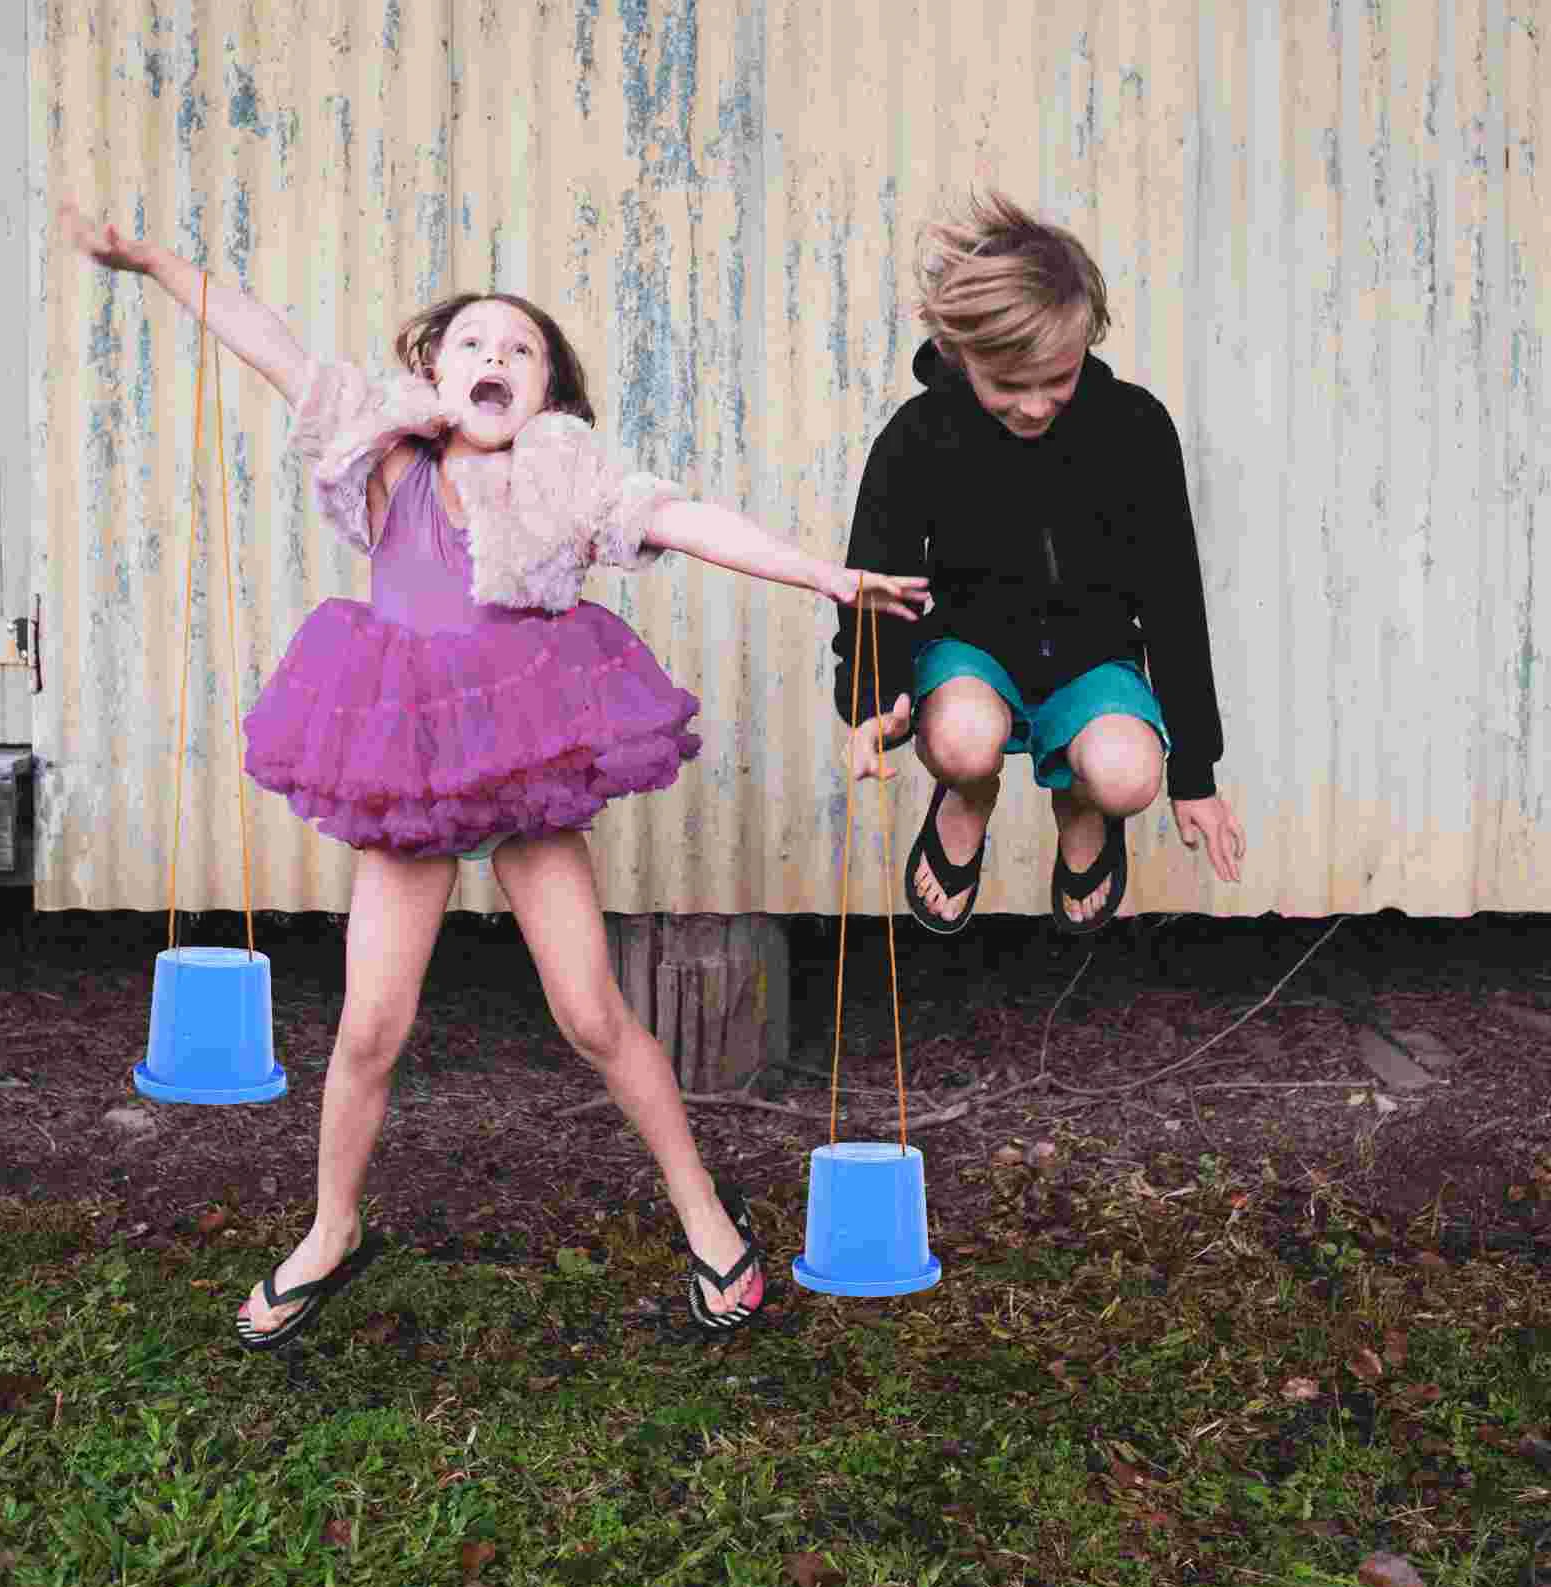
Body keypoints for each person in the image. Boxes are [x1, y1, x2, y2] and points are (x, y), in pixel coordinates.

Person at [61, 202, 928, 1348]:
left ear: (546, 393)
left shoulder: (565, 480)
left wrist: (820, 574)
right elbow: (270, 344)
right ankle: (332, 1227)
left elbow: (681, 516)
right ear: (430, 369)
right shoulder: (386, 455)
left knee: (590, 1011)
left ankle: (707, 1215)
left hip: (520, 748)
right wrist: (157, 261)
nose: (494, 359)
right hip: (408, 751)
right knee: (370, 1025)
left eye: (519, 349)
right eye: (472, 342)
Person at [832, 191, 1244, 936]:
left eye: (1057, 380)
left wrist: (1197, 776)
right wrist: (871, 698)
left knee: (1129, 776)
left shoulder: (1136, 430)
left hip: (1094, 658)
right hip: (972, 652)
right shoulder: (921, 435)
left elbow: (1174, 598)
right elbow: (877, 578)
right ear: (962, 356)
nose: (1033, 406)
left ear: (1087, 341)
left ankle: (1081, 802)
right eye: (1008, 387)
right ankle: (968, 796)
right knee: (962, 740)